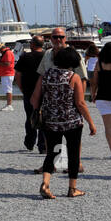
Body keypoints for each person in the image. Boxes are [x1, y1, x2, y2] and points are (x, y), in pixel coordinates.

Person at [29, 46, 96, 198]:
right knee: (73, 154)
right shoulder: (74, 77)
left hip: (50, 121)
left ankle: (45, 184)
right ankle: (72, 189)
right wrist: (91, 123)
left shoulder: (46, 75)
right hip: (72, 121)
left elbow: (34, 98)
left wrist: (39, 111)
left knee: (52, 153)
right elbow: (80, 103)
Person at [14, 36, 47, 154]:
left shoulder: (25, 57)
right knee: (43, 117)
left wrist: (21, 88)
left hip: (28, 91)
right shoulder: (47, 57)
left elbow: (17, 74)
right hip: (44, 91)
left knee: (29, 117)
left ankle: (29, 142)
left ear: (32, 44)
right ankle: (42, 145)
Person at [0, 41, 15, 111]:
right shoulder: (6, 52)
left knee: (8, 89)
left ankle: (9, 105)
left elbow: (7, 64)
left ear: (0, 49)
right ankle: (8, 104)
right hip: (6, 74)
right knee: (7, 89)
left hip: (7, 73)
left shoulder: (7, 53)